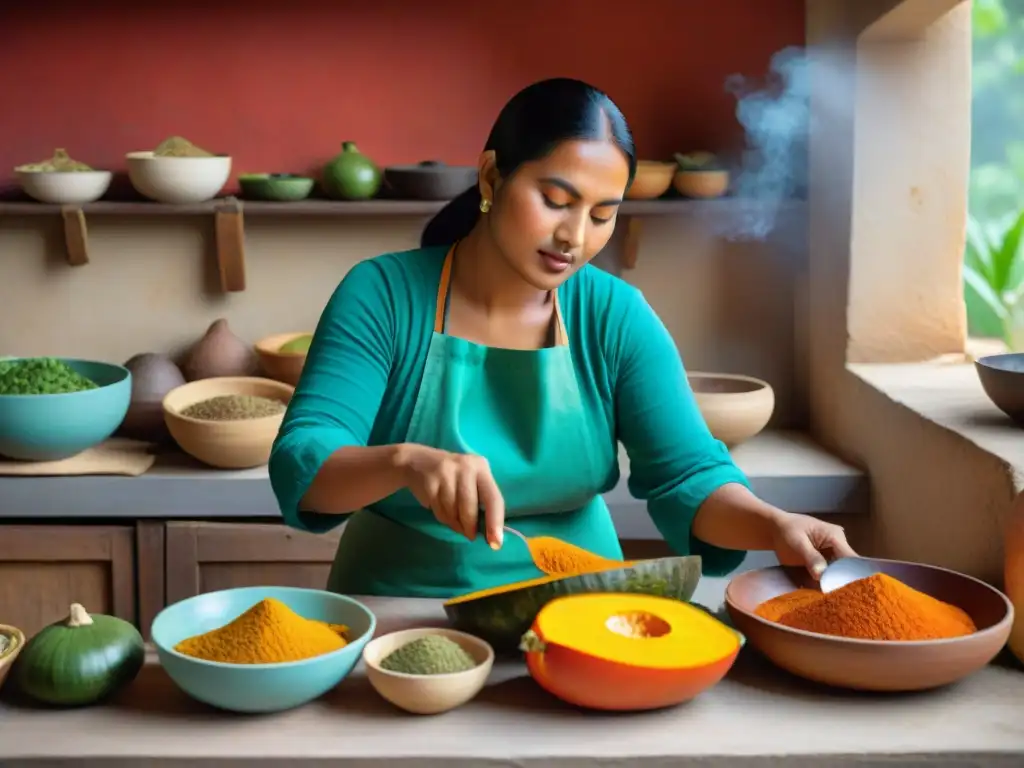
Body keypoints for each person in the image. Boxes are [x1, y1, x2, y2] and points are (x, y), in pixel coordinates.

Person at [268, 77, 856, 598]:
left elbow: (690, 475)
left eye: (603, 215)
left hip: (581, 608)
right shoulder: (384, 295)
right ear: (492, 176)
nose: (574, 236)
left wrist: (773, 523)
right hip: (403, 613)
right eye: (555, 201)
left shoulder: (614, 316)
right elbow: (306, 457)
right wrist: (403, 463)